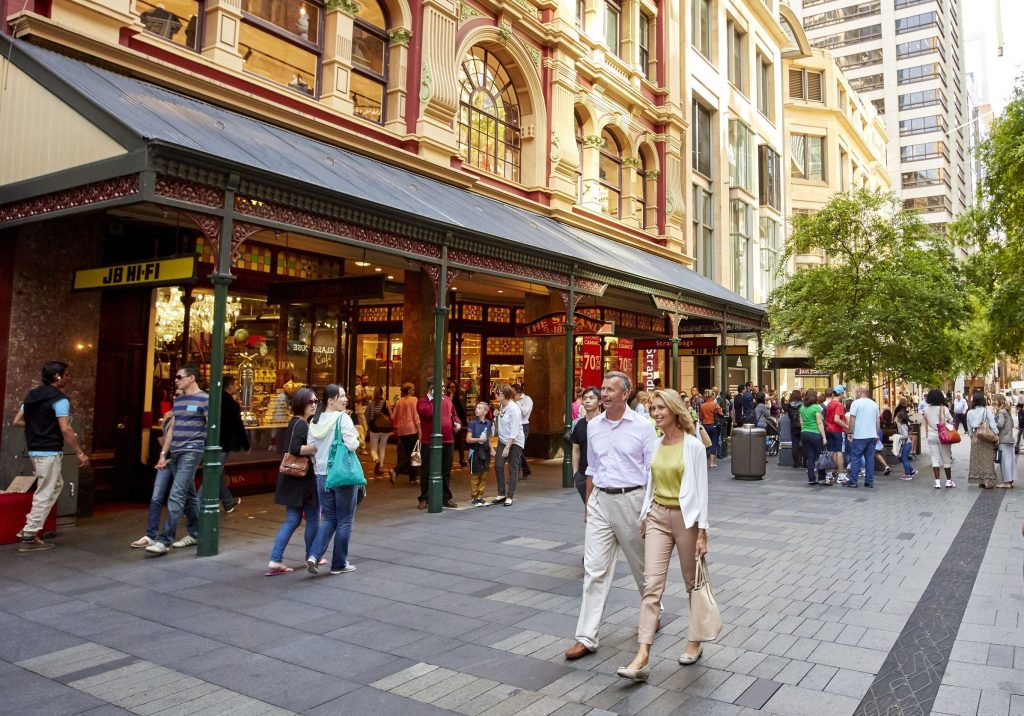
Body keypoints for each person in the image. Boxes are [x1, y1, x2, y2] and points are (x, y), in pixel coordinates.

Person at [617, 389, 709, 681]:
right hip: (658, 515)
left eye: (660, 408)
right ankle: (643, 655)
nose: (655, 413)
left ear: (673, 410)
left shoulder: (692, 446)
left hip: (686, 520)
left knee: (691, 582)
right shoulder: (656, 445)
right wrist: (645, 514)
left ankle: (695, 640)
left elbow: (702, 491)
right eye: (652, 408)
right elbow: (651, 484)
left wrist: (703, 531)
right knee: (651, 585)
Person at [565, 371, 657, 661]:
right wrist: (588, 504)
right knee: (594, 570)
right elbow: (592, 468)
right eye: (602, 389)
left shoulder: (643, 426)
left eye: (609, 390)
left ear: (625, 394)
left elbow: (652, 471)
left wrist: (648, 509)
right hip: (601, 501)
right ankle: (586, 636)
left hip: (632, 500)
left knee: (641, 568)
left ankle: (655, 609)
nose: (603, 394)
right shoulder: (593, 427)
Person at [12, 361, 89, 552]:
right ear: (58, 376)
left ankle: (32, 529)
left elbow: (17, 421)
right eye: (67, 375)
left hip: (34, 450)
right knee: (45, 491)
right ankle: (29, 535)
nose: (69, 379)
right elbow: (66, 428)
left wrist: (39, 425)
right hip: (49, 451)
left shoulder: (32, 396)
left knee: (55, 485)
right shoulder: (60, 399)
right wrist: (79, 452)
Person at [146, 364, 207, 555]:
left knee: (176, 494)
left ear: (191, 378)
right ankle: (197, 532)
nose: (176, 380)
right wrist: (164, 454)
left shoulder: (205, 400)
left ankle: (164, 541)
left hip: (192, 450)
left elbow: (210, 426)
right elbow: (172, 428)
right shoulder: (179, 400)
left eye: (179, 377)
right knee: (189, 496)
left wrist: (203, 449)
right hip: (177, 452)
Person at [305, 384, 360, 575]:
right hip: (342, 476)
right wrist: (358, 434)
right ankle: (339, 564)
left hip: (321, 475)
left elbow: (311, 449)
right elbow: (352, 445)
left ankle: (313, 555)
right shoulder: (342, 419)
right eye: (342, 396)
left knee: (329, 519)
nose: (346, 399)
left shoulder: (315, 421)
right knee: (345, 520)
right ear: (330, 400)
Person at [131, 389, 195, 549]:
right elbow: (166, 437)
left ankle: (192, 533)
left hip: (181, 460)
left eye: (180, 395)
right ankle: (151, 534)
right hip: (167, 460)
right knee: (157, 497)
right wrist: (163, 455)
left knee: (186, 497)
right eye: (176, 395)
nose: (176, 398)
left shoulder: (188, 416)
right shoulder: (170, 416)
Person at [266, 388, 319, 576]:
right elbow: (294, 448)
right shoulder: (301, 424)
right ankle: (311, 556)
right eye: (310, 402)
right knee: (312, 517)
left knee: (293, 519)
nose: (314, 405)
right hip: (302, 479)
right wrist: (315, 447)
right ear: (300, 404)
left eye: (315, 402)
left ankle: (276, 560)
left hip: (292, 479)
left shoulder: (295, 423)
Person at [417, 379, 460, 509]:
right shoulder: (423, 402)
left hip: (448, 440)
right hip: (429, 442)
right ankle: (424, 498)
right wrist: (434, 399)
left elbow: (454, 415)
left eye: (443, 386)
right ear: (431, 387)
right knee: (426, 471)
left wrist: (458, 424)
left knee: (446, 471)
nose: (443, 389)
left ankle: (445, 497)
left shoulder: (447, 400)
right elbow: (428, 413)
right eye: (440, 386)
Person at [218, 375, 249, 513]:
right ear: (230, 387)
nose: (237, 387)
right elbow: (238, 426)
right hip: (223, 443)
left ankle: (228, 502)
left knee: (218, 473)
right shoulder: (231, 404)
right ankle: (197, 505)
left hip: (211, 442)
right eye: (235, 385)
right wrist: (246, 444)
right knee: (213, 474)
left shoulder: (214, 399)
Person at [492, 384, 525, 506]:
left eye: (498, 393)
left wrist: (507, 447)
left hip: (515, 441)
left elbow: (514, 430)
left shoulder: (514, 409)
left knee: (513, 467)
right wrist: (497, 415)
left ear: (505, 395)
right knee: (498, 465)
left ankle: (510, 496)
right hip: (503, 439)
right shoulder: (501, 405)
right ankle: (501, 493)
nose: (495, 395)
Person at [846, 386, 881, 489]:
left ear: (861, 392)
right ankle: (869, 482)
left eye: (857, 391)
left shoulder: (856, 403)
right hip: (872, 435)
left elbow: (852, 419)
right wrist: (877, 433)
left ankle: (853, 481)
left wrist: (850, 432)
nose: (856, 392)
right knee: (870, 459)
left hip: (860, 435)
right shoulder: (874, 404)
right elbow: (877, 421)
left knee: (855, 457)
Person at [571, 387, 602, 503]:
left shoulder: (605, 422)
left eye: (591, 398)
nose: (587, 401)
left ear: (600, 402)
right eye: (585, 398)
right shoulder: (579, 424)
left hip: (601, 476)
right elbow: (575, 449)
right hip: (583, 475)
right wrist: (575, 474)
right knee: (589, 509)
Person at [924, 388, 959, 489]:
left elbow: (926, 422)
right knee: (946, 458)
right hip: (943, 436)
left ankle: (937, 482)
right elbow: (951, 421)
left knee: (934, 459)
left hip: (931, 436)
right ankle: (948, 481)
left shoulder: (926, 409)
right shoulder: (943, 408)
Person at [389, 382, 421, 486]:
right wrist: (420, 431)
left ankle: (413, 478)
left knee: (408, 453)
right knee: (414, 455)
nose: (414, 390)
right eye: (413, 388)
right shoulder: (414, 400)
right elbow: (416, 417)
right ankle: (395, 470)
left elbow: (393, 417)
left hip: (401, 431)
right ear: (409, 390)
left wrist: (389, 408)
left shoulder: (399, 402)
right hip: (411, 429)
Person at [798, 389, 827, 486]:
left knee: (810, 457)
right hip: (815, 434)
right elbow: (819, 423)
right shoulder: (816, 408)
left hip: (805, 434)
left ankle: (811, 479)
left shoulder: (802, 408)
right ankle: (821, 478)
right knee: (820, 456)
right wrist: (824, 437)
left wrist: (804, 431)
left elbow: (801, 423)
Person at [466, 402, 492, 505]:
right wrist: (479, 439)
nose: (476, 409)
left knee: (484, 474)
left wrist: (491, 449)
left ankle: (480, 496)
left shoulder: (488, 423)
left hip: (485, 451)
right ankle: (474, 497)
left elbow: (488, 437)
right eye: (476, 407)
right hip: (475, 451)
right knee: (475, 475)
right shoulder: (473, 423)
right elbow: (468, 439)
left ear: (485, 411)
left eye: (479, 408)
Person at [364, 385, 392, 477]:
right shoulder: (386, 402)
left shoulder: (371, 403)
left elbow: (366, 414)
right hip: (385, 428)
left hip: (374, 428)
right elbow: (391, 415)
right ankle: (380, 466)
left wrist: (369, 424)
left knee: (373, 449)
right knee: (382, 447)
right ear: (382, 393)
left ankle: (376, 459)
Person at [824, 386, 849, 482]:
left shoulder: (829, 404)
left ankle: (829, 474)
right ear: (841, 393)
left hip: (829, 430)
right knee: (839, 452)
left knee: (831, 452)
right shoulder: (838, 404)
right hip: (838, 431)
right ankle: (841, 475)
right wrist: (846, 427)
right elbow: (837, 419)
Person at [993, 394, 1016, 489]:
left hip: (1004, 440)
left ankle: (1006, 482)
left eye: (994, 400)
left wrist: (992, 423)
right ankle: (1010, 481)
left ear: (998, 401)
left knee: (1004, 462)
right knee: (1010, 461)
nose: (993, 402)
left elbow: (1000, 424)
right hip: (1010, 439)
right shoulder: (1007, 411)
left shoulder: (1001, 412)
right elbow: (1013, 424)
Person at [699, 389, 724, 469]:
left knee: (706, 443)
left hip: (705, 425)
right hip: (714, 425)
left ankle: (703, 461)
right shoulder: (715, 404)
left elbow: (701, 417)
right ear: (712, 396)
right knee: (714, 443)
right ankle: (712, 463)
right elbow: (721, 413)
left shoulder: (702, 406)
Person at [514, 384, 534, 480]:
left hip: (523, 426)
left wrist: (517, 402)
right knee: (517, 449)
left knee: (518, 449)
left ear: (517, 392)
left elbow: (525, 412)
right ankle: (526, 470)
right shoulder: (511, 400)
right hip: (514, 426)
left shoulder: (527, 399)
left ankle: (516, 475)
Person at [448, 382, 469, 468]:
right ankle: (449, 461)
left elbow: (462, 410)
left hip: (458, 422)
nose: (452, 388)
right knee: (450, 442)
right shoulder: (447, 397)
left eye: (454, 387)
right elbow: (448, 404)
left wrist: (464, 422)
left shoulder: (460, 397)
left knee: (460, 442)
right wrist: (451, 394)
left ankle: (462, 459)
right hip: (449, 422)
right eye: (451, 387)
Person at [895, 408, 917, 480]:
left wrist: (898, 437)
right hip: (906, 444)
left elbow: (905, 436)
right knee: (902, 458)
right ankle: (911, 470)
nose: (896, 418)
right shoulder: (903, 425)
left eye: (897, 417)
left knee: (904, 459)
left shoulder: (902, 426)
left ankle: (908, 474)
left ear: (900, 419)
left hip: (906, 444)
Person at [786, 390, 805, 469]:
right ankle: (804, 461)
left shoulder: (788, 405)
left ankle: (796, 462)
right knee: (803, 444)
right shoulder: (802, 404)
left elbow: (789, 414)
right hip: (801, 425)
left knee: (794, 444)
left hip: (793, 425)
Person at [354, 374, 370, 454]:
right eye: (364, 379)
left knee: (363, 429)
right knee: (364, 429)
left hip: (366, 409)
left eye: (367, 379)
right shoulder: (357, 388)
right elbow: (355, 399)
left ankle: (359, 445)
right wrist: (363, 398)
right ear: (361, 380)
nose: (366, 381)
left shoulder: (367, 388)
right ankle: (362, 447)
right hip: (359, 410)